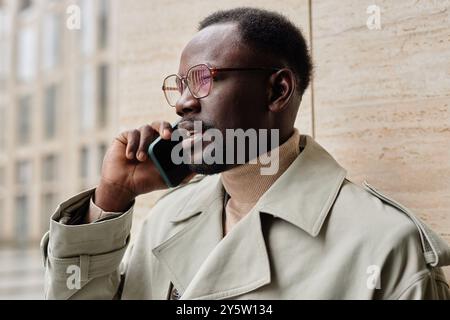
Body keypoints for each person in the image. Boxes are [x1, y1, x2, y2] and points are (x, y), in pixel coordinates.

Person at [41, 7, 450, 299]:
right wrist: (111, 197)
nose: (183, 103)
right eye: (180, 85)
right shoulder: (166, 219)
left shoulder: (385, 246)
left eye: (202, 80)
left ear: (277, 90)